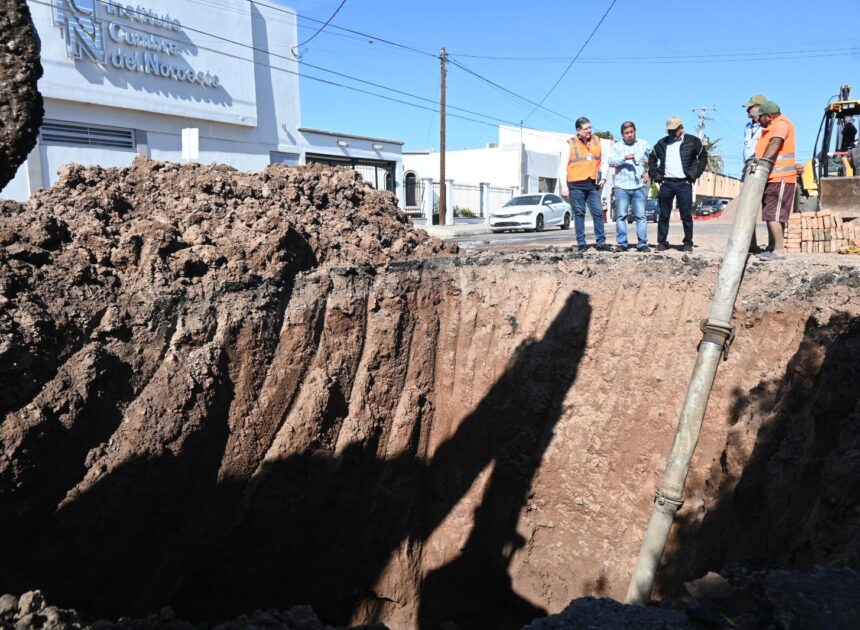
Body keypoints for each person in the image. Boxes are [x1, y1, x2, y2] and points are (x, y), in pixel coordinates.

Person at [648, 116, 708, 253]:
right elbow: (652, 158)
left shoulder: (693, 141)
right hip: (667, 183)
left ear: (681, 128)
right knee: (663, 215)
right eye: (669, 131)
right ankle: (662, 242)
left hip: (684, 183)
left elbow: (703, 157)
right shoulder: (662, 143)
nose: (671, 133)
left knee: (686, 215)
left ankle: (688, 243)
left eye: (673, 130)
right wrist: (657, 176)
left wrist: (693, 175)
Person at [753, 100, 796, 260]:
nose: (758, 120)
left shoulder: (781, 125)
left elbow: (775, 143)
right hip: (773, 178)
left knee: (773, 215)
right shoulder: (773, 126)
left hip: (780, 177)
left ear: (768, 116)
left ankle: (779, 250)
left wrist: (761, 164)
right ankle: (773, 247)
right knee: (773, 214)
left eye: (760, 117)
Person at [567, 116, 610, 252]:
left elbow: (604, 160)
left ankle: (601, 242)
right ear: (578, 130)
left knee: (597, 212)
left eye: (590, 127)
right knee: (579, 213)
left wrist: (603, 177)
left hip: (593, 184)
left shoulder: (598, 141)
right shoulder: (570, 143)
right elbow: (563, 165)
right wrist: (563, 185)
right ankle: (581, 243)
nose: (589, 131)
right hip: (576, 184)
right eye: (586, 129)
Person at [608, 121, 652, 252]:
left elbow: (655, 158)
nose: (629, 135)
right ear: (622, 134)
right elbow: (610, 161)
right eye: (626, 133)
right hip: (621, 187)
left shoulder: (643, 144)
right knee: (621, 216)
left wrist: (649, 172)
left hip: (638, 186)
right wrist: (624, 157)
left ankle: (642, 243)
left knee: (641, 216)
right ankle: (622, 243)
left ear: (635, 131)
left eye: (631, 132)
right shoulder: (617, 147)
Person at [743, 94, 767, 163]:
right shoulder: (747, 127)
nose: (747, 110)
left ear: (758, 108)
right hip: (748, 165)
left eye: (750, 107)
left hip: (761, 165)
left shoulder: (767, 126)